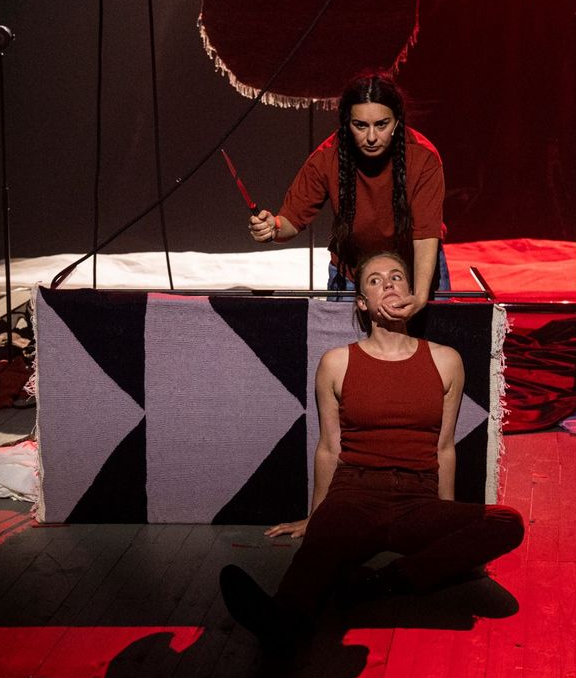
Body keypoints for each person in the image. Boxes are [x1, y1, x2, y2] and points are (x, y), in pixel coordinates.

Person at [219, 252, 524, 651]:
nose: (389, 283)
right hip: (355, 496)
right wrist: (317, 515)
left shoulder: (446, 360)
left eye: (397, 277)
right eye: (376, 280)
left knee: (508, 522)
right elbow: (329, 447)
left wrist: (444, 522)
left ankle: (382, 582)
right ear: (362, 302)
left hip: (417, 500)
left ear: (411, 292)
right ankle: (283, 622)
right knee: (318, 554)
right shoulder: (337, 362)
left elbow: (444, 447)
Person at [248, 72, 449, 318]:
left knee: (433, 341)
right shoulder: (327, 158)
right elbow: (291, 221)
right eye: (360, 126)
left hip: (416, 271)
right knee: (343, 342)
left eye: (382, 125)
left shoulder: (423, 157)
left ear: (397, 121)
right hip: (353, 274)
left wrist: (419, 296)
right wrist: (273, 228)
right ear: (347, 123)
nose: (372, 137)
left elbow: (426, 235)